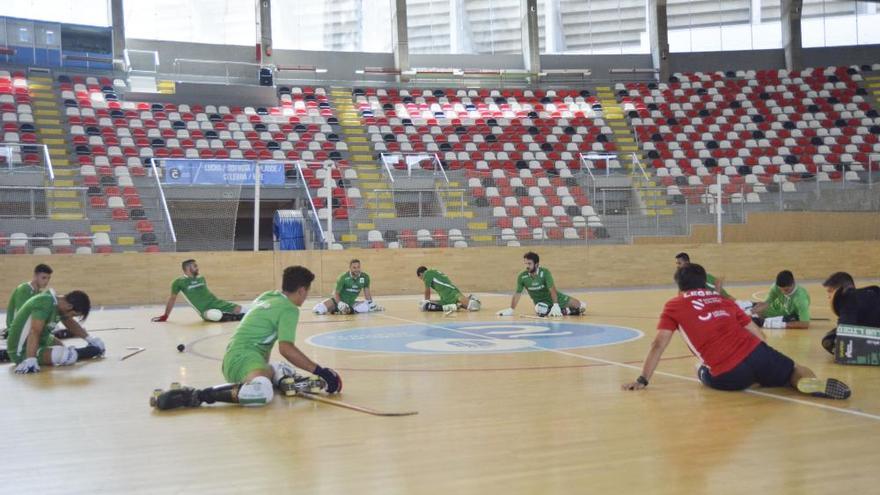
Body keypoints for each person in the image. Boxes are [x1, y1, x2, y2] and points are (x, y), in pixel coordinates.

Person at [621, 263, 850, 400]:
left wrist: (643, 379)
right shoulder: (724, 301)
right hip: (757, 353)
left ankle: (751, 380)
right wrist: (765, 357)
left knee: (698, 366)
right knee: (794, 368)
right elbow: (756, 333)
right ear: (704, 283)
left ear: (679, 286)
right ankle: (807, 382)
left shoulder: (674, 305)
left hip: (728, 374)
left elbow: (658, 344)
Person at [151, 265, 342, 410]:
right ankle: (198, 395)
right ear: (301, 290)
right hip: (244, 360)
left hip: (234, 357)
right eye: (307, 292)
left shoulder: (269, 296)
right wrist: (321, 371)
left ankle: (279, 378)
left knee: (277, 367)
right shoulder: (289, 310)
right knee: (262, 393)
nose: (306, 296)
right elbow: (286, 349)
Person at [2, 289, 105, 373]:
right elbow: (34, 331)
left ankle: (90, 349)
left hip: (39, 340)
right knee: (66, 355)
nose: (71, 317)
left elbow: (70, 323)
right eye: (73, 314)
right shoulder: (45, 302)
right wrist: (31, 359)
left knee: (63, 350)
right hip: (20, 350)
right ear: (69, 306)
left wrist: (90, 339)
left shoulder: (57, 305)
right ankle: (7, 354)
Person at [496, 252, 586, 317]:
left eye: (529, 263)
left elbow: (552, 289)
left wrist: (555, 304)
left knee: (580, 306)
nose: (527, 266)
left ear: (537, 264)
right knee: (541, 310)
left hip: (555, 298)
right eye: (526, 263)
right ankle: (567, 311)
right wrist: (511, 309)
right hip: (541, 303)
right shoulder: (522, 277)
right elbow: (517, 294)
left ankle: (564, 310)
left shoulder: (545, 273)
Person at [152, 259, 244, 323]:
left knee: (241, 309)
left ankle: (232, 314)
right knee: (215, 315)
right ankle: (233, 317)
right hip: (205, 310)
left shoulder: (201, 278)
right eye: (195, 266)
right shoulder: (178, 282)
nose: (197, 268)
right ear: (188, 268)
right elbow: (172, 299)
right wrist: (166, 315)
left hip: (217, 303)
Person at [820, 272, 880, 354]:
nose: (828, 296)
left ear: (840, 290)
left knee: (829, 339)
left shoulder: (846, 298)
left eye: (830, 291)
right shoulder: (873, 290)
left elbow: (844, 333)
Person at [312, 259, 383, 315]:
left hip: (351, 303)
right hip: (337, 301)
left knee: (365, 308)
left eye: (358, 267)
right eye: (354, 268)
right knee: (317, 309)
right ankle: (337, 309)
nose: (357, 270)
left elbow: (367, 292)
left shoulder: (365, 277)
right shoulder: (343, 277)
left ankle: (346, 310)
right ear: (350, 268)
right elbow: (335, 293)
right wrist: (340, 303)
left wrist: (370, 302)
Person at [416, 266, 480, 313]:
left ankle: (472, 299)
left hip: (449, 291)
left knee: (472, 306)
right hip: (444, 295)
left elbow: (427, 290)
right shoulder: (432, 272)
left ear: (421, 274)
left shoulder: (427, 273)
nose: (422, 280)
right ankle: (468, 300)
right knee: (461, 305)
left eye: (420, 278)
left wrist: (426, 300)